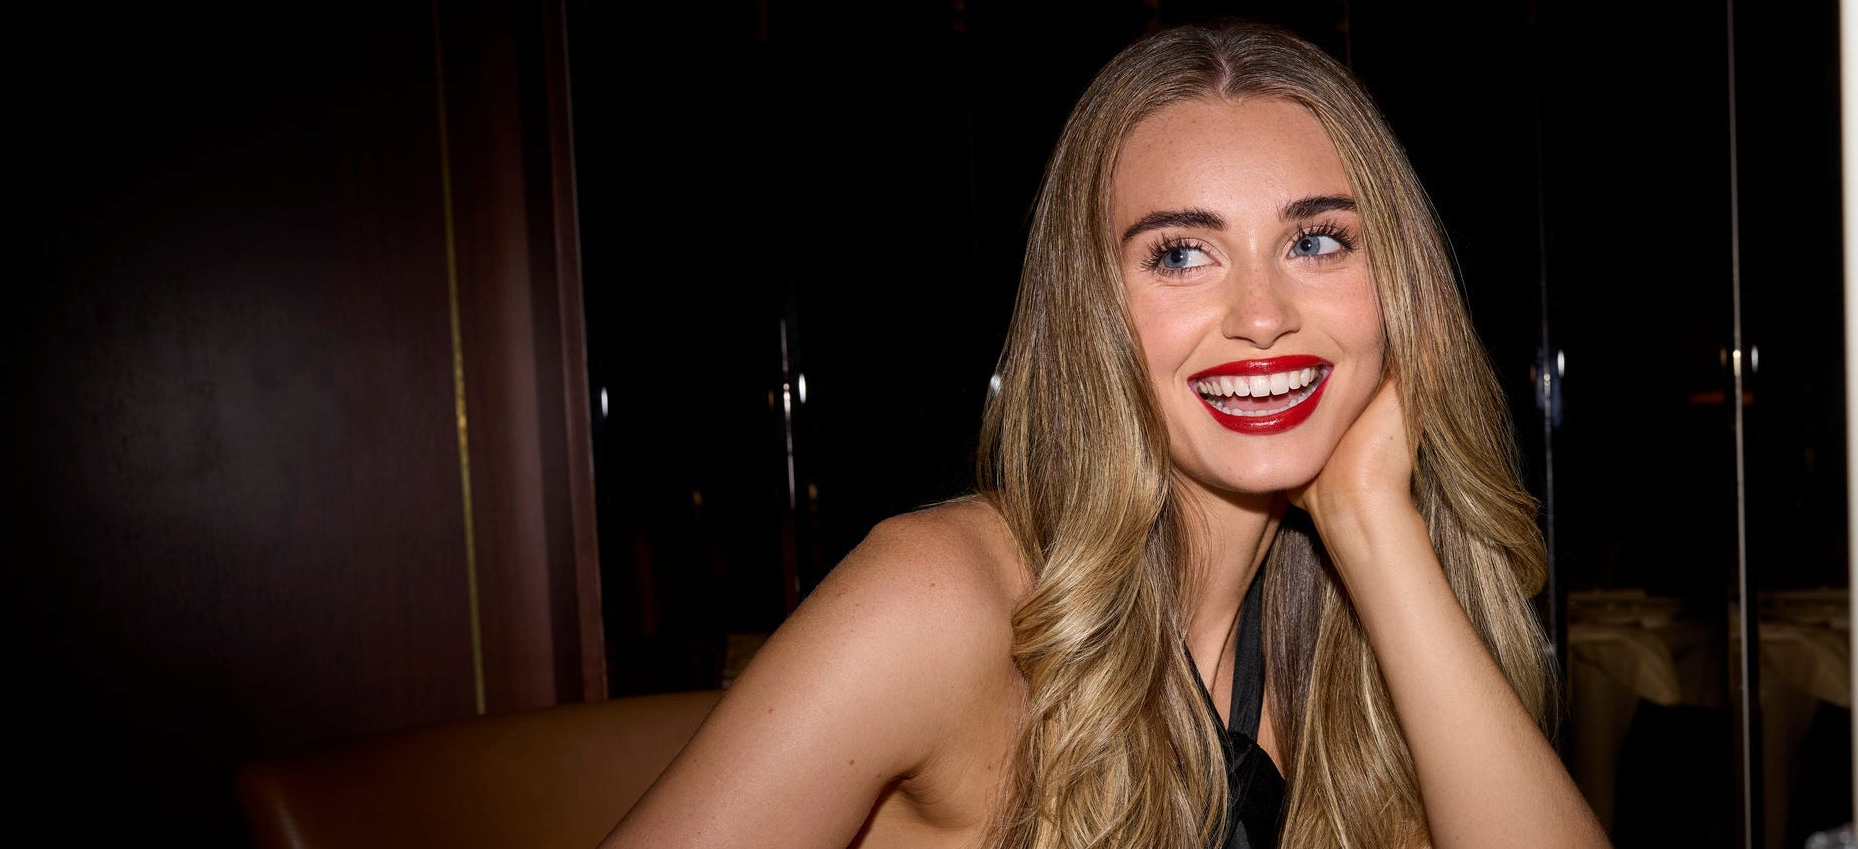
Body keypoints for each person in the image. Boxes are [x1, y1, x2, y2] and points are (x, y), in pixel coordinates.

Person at [600, 21, 1609, 849]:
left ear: (1396, 289)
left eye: (1315, 240)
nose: (1262, 315)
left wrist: (1370, 522)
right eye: (1180, 255)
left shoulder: (1343, 642)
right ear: (1094, 313)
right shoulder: (939, 601)